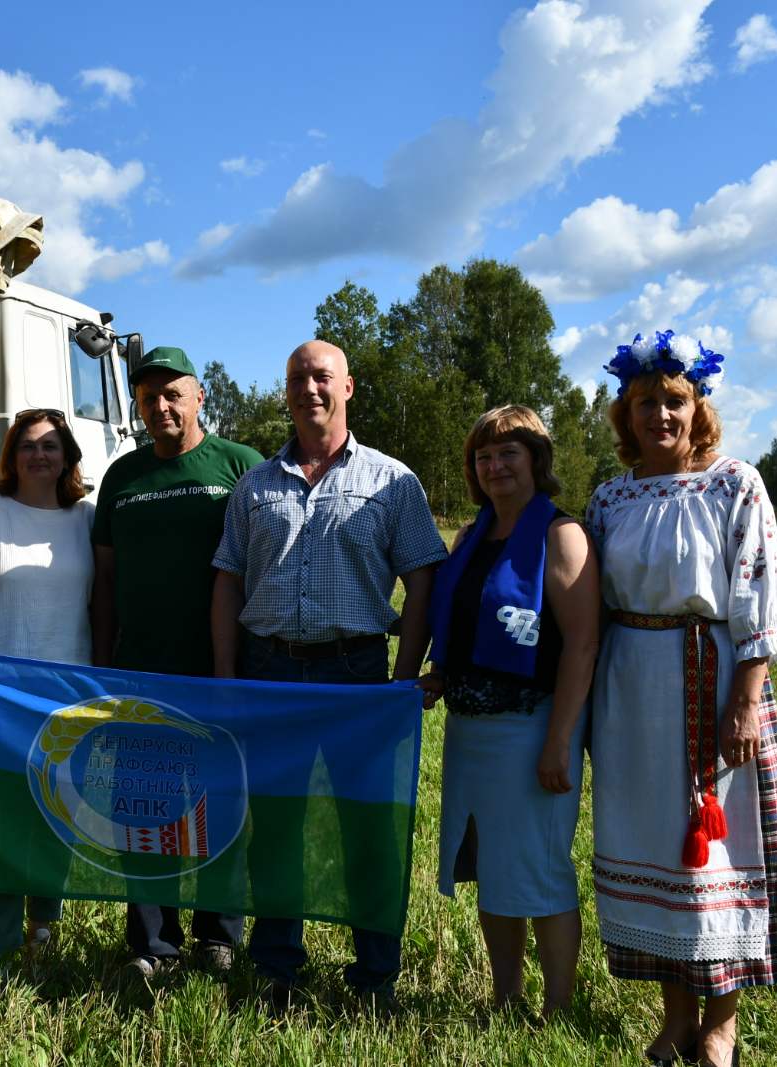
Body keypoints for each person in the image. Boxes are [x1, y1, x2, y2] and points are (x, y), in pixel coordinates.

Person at [585, 332, 777, 1067]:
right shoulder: (610, 497)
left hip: (709, 679)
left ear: (698, 406)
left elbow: (757, 595)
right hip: (629, 690)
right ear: (626, 413)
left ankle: (722, 1022)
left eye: (674, 401)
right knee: (650, 842)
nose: (659, 414)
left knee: (715, 851)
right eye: (645, 401)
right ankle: (674, 1014)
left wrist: (746, 699)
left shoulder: (734, 483)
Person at [211, 339, 447, 1011]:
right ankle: (277, 970)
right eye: (297, 378)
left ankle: (374, 978)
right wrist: (228, 676)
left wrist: (403, 680)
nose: (309, 388)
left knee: (367, 828)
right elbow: (227, 580)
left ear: (348, 388)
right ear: (285, 392)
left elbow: (423, 578)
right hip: (270, 674)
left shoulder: (390, 480)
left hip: (358, 676)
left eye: (322, 377)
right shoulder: (255, 485)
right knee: (277, 827)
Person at [419, 405, 599, 1019]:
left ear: (536, 460)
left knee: (540, 868)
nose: (494, 466)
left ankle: (558, 1009)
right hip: (469, 730)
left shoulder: (560, 535)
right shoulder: (471, 536)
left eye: (509, 453)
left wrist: (559, 740)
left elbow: (582, 644)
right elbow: (461, 623)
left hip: (532, 728)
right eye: (483, 456)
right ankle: (506, 996)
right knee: (491, 868)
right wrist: (440, 674)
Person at [91, 345, 264, 980]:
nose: (159, 406)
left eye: (173, 394)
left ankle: (218, 933)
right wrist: (101, 661)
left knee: (218, 802)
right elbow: (103, 580)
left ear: (198, 398)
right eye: (147, 398)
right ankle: (151, 942)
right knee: (141, 809)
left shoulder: (239, 466)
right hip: (139, 670)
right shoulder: (122, 477)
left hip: (220, 669)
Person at [0, 409, 95, 962]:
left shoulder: (87, 519)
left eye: (51, 445)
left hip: (69, 694)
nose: (39, 455)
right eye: (28, 446)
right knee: (2, 816)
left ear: (67, 455)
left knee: (58, 815)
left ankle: (44, 927)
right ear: (12, 456)